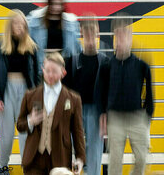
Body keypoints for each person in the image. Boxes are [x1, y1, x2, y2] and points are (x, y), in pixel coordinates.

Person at [0, 9, 42, 175]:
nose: (19, 27)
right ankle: (3, 166)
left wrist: (37, 102)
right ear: (9, 26)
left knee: (26, 131)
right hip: (6, 92)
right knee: (7, 134)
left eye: (22, 24)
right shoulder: (0, 46)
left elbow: (38, 76)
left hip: (26, 92)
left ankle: (27, 165)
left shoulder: (32, 47)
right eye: (16, 23)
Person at [17, 52, 86, 175]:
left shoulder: (74, 99)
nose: (50, 75)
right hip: (34, 159)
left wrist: (80, 158)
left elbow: (77, 131)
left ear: (63, 72)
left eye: (54, 71)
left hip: (60, 158)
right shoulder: (30, 95)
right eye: (47, 70)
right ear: (42, 70)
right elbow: (20, 125)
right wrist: (30, 121)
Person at [102, 15, 153, 175]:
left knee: (141, 158)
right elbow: (100, 92)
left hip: (137, 117)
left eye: (125, 33)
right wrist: (103, 114)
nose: (122, 37)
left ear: (131, 35)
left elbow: (150, 92)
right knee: (115, 162)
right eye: (118, 34)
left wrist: (148, 115)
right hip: (115, 118)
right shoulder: (107, 66)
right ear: (114, 37)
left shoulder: (141, 64)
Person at [62, 15, 109, 175]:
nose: (89, 36)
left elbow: (109, 91)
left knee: (95, 152)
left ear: (98, 34)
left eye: (92, 32)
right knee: (76, 152)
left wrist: (106, 114)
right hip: (76, 112)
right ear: (81, 34)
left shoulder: (105, 62)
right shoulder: (72, 61)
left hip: (97, 112)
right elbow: (65, 92)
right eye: (86, 33)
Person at [28, 0, 82, 67]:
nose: (56, 7)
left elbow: (77, 47)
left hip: (63, 63)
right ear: (48, 3)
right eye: (53, 4)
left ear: (63, 5)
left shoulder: (71, 21)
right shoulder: (35, 19)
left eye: (59, 4)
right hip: (42, 62)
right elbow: (27, 42)